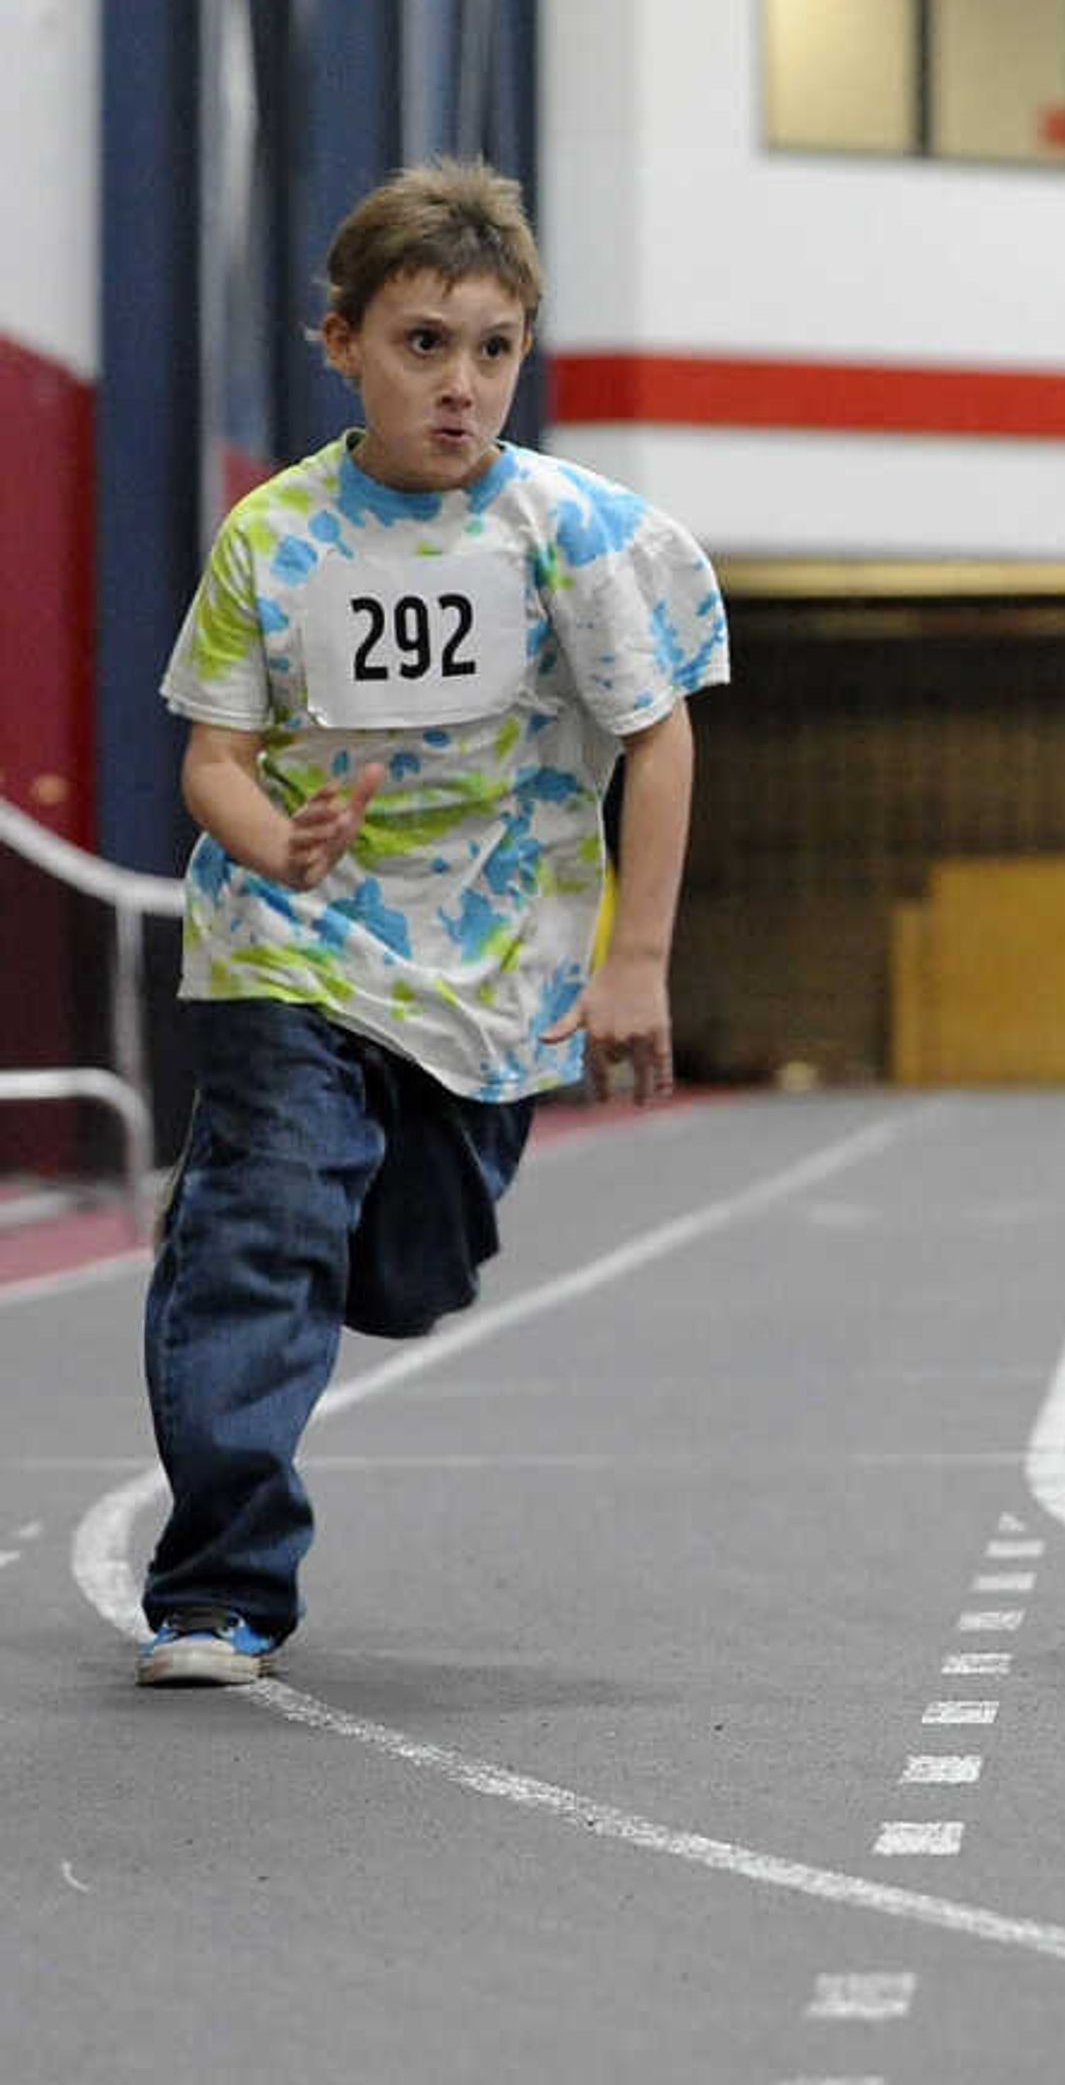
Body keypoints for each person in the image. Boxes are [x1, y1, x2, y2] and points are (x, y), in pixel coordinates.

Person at [135, 159, 727, 1687]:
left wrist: (637, 966)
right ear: (341, 342)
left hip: (495, 979)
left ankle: (242, 1234)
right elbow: (211, 758)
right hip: (290, 944)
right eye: (421, 345)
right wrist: (288, 842)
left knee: (408, 1272)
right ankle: (220, 1591)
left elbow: (657, 737)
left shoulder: (579, 537)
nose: (460, 386)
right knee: (270, 1237)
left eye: (493, 349)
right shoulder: (272, 538)